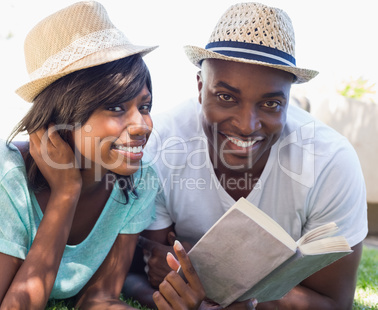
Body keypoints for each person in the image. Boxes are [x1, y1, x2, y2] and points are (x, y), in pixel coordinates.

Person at [124, 2, 368, 309]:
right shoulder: (162, 144)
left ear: (288, 101)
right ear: (200, 87)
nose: (246, 125)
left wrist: (226, 291)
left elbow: (334, 302)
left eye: (270, 105)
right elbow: (146, 273)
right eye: (226, 97)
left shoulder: (330, 162)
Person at [0, 2, 205, 309]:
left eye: (145, 106)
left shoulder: (139, 179)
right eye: (115, 107)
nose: (143, 125)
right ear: (64, 114)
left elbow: (99, 298)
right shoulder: (2, 170)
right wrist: (65, 193)